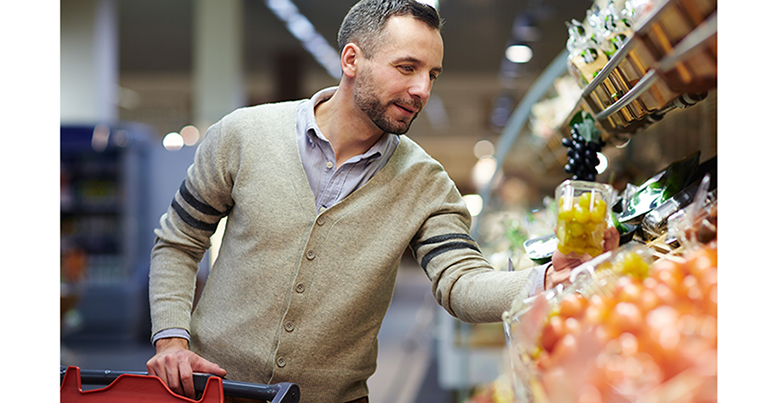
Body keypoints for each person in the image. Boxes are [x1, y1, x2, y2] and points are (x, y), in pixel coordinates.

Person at [145, 1, 619, 402]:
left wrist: (546, 278)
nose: (423, 91)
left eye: (432, 74)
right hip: (213, 391)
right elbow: (180, 239)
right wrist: (171, 337)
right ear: (352, 59)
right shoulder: (244, 135)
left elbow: (460, 281)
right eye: (407, 68)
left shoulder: (426, 183)